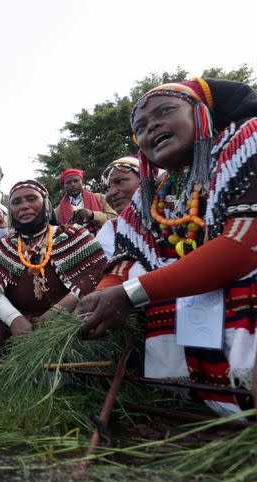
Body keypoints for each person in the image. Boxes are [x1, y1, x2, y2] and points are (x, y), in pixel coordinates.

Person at [77, 78, 257, 416]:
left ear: (201, 114)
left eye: (165, 111)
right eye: (141, 127)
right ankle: (197, 407)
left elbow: (242, 247)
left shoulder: (246, 141)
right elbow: (123, 264)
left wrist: (130, 294)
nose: (152, 127)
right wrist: (101, 298)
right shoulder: (153, 195)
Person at [0, 180, 106, 347]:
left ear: (46, 204)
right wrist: (15, 320)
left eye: (32, 199)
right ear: (11, 210)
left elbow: (93, 281)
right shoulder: (2, 249)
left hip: (72, 329)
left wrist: (53, 315)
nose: (24, 206)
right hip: (21, 337)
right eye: (16, 202)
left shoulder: (75, 236)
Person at [96, 157, 141, 259]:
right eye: (106, 189)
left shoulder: (177, 213)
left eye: (119, 181)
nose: (111, 193)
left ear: (144, 179)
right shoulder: (110, 230)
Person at [55, 168, 117, 234]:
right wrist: (67, 227)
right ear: (63, 186)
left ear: (82, 182)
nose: (72, 185)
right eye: (68, 183)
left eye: (76, 181)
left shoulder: (100, 198)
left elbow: (114, 219)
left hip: (101, 239)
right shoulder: (58, 210)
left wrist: (92, 215)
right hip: (75, 243)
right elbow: (55, 232)